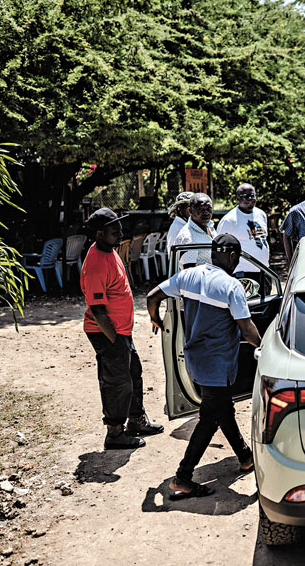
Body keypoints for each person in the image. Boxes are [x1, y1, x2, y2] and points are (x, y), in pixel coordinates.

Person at [146, 234, 262, 500]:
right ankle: (183, 478)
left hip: (195, 360)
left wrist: (157, 320)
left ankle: (245, 457)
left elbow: (153, 297)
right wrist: (266, 348)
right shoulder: (231, 286)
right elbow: (247, 330)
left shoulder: (188, 277)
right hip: (218, 364)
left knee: (222, 409)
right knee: (210, 418)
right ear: (233, 256)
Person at [81, 208, 163, 450]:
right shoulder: (95, 262)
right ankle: (115, 433)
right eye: (114, 229)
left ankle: (136, 420)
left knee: (133, 373)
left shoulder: (110, 251)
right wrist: (115, 340)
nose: (120, 232)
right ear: (99, 233)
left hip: (120, 331)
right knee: (117, 381)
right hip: (107, 332)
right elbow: (97, 311)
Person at [216, 183, 269, 283]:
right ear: (237, 198)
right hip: (243, 273)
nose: (250, 198)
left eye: (252, 195)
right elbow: (219, 250)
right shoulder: (229, 220)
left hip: (264, 271)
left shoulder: (261, 214)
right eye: (245, 196)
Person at [172, 193, 216, 267]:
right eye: (200, 209)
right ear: (190, 211)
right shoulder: (188, 238)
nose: (206, 212)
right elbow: (189, 273)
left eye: (209, 208)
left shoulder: (209, 225)